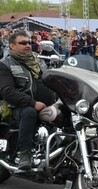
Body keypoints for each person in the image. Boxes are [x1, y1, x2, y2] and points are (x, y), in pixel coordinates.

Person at [0, 30, 54, 170]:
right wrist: (32, 103)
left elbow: (51, 80)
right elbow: (8, 92)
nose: (28, 45)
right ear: (12, 45)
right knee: (29, 112)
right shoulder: (5, 64)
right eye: (23, 43)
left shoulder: (38, 61)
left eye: (29, 42)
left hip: (45, 105)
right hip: (15, 107)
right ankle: (25, 154)